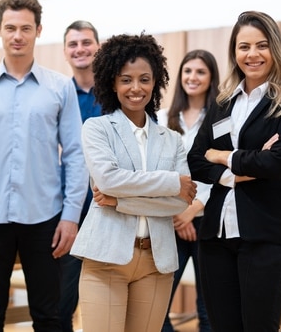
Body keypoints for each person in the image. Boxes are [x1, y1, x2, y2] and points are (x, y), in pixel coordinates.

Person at [0, 0, 88, 331]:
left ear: (38, 31)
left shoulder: (60, 88)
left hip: (46, 218)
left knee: (50, 316)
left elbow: (74, 153)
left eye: (25, 28)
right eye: (10, 27)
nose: (17, 35)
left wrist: (71, 217)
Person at [188, 11, 281, 331]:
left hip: (266, 236)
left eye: (261, 45)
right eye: (244, 47)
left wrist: (222, 156)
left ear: (275, 50)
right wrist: (240, 170)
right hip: (215, 236)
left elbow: (276, 163)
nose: (252, 54)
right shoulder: (222, 102)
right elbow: (196, 160)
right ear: (234, 52)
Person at [70, 33, 197, 332]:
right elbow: (109, 180)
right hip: (105, 259)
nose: (136, 88)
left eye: (144, 79)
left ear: (156, 82)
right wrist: (171, 182)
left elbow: (180, 201)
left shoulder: (172, 140)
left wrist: (120, 201)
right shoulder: (97, 129)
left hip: (157, 262)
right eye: (126, 79)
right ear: (112, 83)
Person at [158, 50, 219, 332]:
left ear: (211, 78)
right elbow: (156, 171)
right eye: (188, 71)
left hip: (209, 219)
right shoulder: (160, 119)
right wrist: (179, 211)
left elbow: (223, 169)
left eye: (201, 72)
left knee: (209, 311)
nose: (193, 77)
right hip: (170, 220)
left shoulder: (221, 119)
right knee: (157, 309)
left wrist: (194, 209)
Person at [59, 20, 103, 332]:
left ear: (97, 48)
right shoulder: (58, 94)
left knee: (104, 307)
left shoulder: (117, 92)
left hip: (111, 212)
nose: (80, 49)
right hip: (69, 213)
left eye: (86, 42)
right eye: (73, 44)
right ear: (65, 51)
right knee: (61, 304)